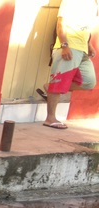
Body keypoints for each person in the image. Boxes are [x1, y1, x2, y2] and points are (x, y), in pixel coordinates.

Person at [42, 0, 98, 129]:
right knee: (59, 82)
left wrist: (88, 45)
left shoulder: (94, 3)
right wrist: (64, 45)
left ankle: (50, 87)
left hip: (82, 48)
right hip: (69, 46)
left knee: (89, 82)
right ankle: (50, 118)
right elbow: (61, 23)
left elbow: (86, 28)